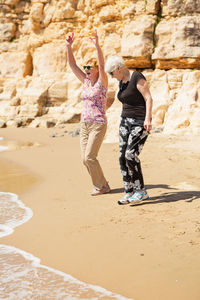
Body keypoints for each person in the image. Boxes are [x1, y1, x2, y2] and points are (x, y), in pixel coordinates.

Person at [66, 30, 110, 196]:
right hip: (84, 124)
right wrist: (68, 46)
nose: (86, 70)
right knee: (85, 159)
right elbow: (72, 65)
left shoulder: (102, 83)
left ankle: (102, 187)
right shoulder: (84, 81)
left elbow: (103, 64)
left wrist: (97, 45)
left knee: (90, 157)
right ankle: (103, 183)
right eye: (85, 67)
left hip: (98, 124)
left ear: (97, 70)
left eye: (89, 67)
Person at [105, 56, 153, 205]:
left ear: (119, 68)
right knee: (122, 157)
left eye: (112, 73)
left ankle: (141, 191)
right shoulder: (121, 82)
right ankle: (129, 191)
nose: (111, 77)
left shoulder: (136, 77)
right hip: (125, 122)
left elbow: (148, 98)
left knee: (131, 155)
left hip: (139, 122)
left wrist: (148, 119)